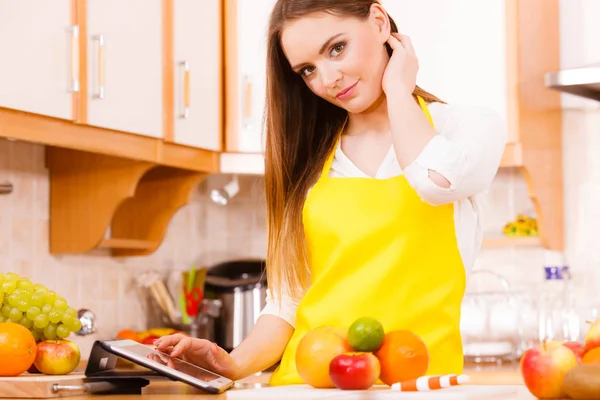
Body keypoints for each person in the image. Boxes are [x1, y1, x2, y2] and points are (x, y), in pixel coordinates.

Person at [154, 0, 507, 386]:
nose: (328, 79)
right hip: (305, 388)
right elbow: (287, 305)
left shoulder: (466, 129)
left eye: (336, 48)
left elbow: (434, 182)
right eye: (308, 70)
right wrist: (232, 364)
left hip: (417, 387)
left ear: (378, 22)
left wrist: (399, 92)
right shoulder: (310, 161)